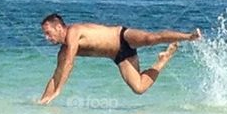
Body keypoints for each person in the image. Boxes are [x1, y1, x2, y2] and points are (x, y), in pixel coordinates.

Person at [37, 13, 201, 104]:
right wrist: (43, 100)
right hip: (118, 56)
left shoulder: (73, 32)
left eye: (48, 33)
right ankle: (164, 58)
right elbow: (56, 75)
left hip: (122, 37)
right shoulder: (62, 51)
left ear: (59, 27)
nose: (47, 38)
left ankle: (189, 36)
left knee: (151, 39)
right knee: (139, 88)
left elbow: (69, 63)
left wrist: (59, 91)